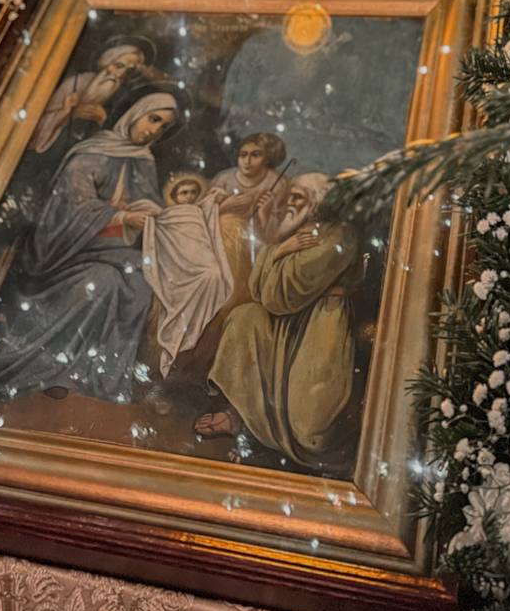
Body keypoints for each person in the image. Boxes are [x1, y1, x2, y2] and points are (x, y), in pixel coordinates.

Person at [0, 92, 180, 403]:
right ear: (137, 113)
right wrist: (122, 216)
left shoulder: (143, 162)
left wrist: (155, 216)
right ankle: (53, 368)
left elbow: (148, 204)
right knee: (102, 282)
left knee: (142, 283)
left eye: (163, 127)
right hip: (64, 251)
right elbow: (70, 210)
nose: (154, 130)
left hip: (112, 250)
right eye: (154, 119)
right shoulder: (90, 154)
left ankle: (100, 376)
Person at [196, 173, 360, 473]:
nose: (289, 203)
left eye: (297, 198)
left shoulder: (339, 234)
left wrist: (276, 255)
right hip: (283, 320)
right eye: (290, 196)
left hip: (320, 321)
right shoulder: (292, 232)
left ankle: (278, 446)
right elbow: (258, 289)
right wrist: (280, 248)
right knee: (244, 317)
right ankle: (239, 417)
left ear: (316, 203)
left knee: (309, 427)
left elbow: (284, 294)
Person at [142, 172, 233, 377]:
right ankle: (181, 334)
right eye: (184, 193)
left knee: (214, 275)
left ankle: (196, 325)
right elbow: (161, 237)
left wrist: (217, 196)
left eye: (193, 192)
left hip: (202, 261)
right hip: (178, 265)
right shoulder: (167, 215)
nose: (189, 196)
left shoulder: (201, 210)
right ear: (174, 196)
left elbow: (212, 208)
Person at [206, 132, 291, 313]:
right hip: (220, 245)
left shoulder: (277, 184)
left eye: (255, 155)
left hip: (254, 248)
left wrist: (264, 214)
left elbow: (275, 235)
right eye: (243, 155)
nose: (247, 161)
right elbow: (204, 217)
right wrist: (224, 207)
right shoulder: (223, 180)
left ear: (267, 158)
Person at [28, 39, 151, 156]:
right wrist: (67, 113)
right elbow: (36, 124)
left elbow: (120, 142)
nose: (120, 74)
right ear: (106, 62)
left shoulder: (121, 98)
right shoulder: (77, 82)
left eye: (129, 71)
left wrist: (103, 121)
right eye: (118, 66)